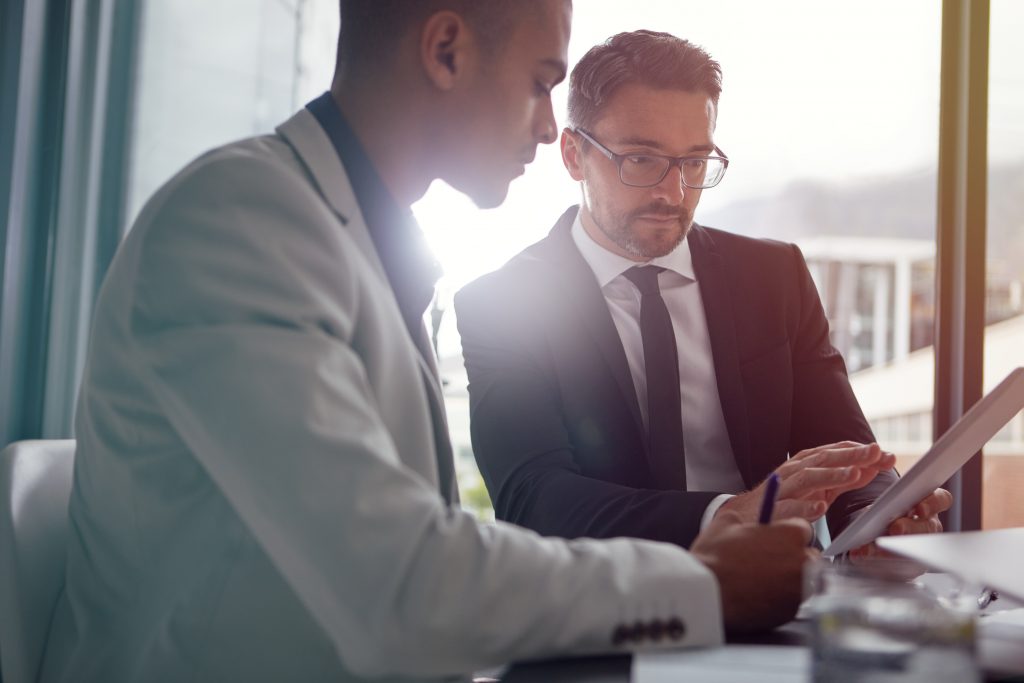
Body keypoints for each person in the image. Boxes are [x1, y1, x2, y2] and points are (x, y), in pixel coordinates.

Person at [40, 6, 824, 683]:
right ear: (446, 50)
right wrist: (703, 584)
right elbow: (398, 584)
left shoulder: (353, 238)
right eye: (540, 79)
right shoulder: (238, 224)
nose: (553, 126)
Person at [455, 30, 950, 555]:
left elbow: (845, 451)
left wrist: (878, 517)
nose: (673, 193)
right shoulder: (504, 304)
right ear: (575, 156)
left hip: (782, 596)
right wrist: (727, 513)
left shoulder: (774, 275)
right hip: (609, 604)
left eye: (694, 163)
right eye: (641, 161)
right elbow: (534, 498)